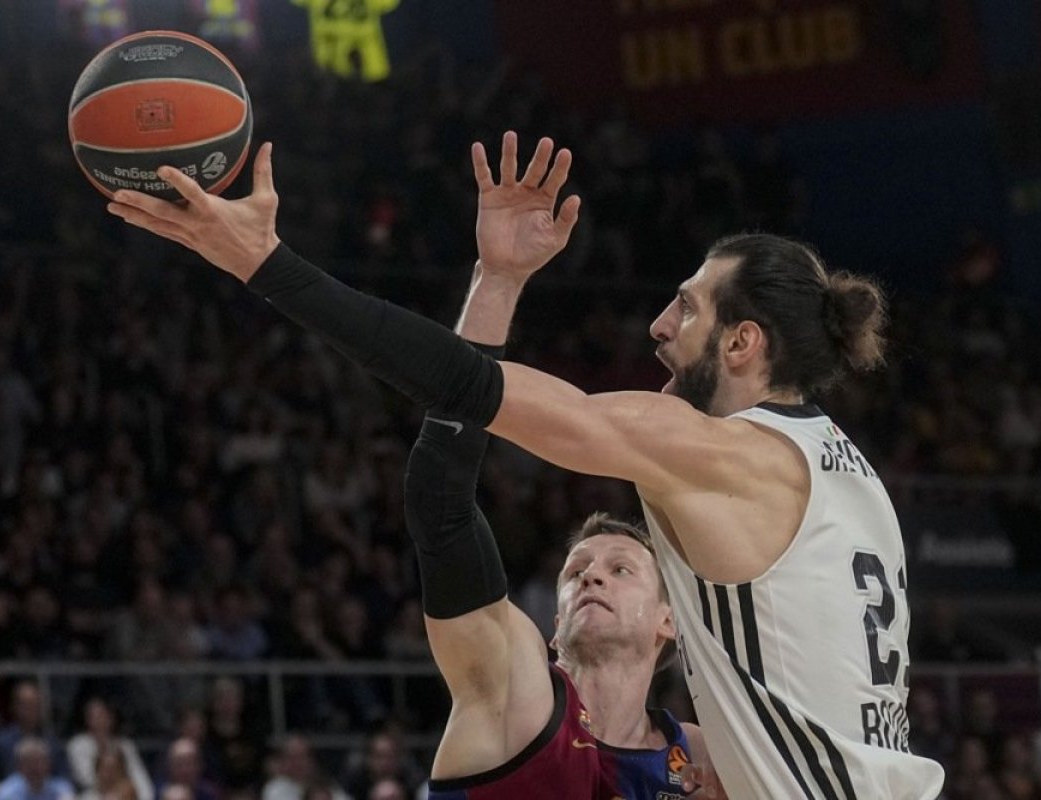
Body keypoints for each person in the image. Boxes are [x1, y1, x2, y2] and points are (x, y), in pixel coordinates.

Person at [108, 130, 945, 798]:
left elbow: (465, 387)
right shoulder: (853, 479)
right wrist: (498, 280)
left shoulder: (725, 452)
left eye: (686, 308)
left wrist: (264, 264)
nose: (660, 326)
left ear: (742, 342)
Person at [400, 212, 719, 797]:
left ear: (669, 620)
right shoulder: (514, 691)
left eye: (620, 570)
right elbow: (438, 500)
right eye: (576, 572)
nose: (591, 577)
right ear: (554, 626)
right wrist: (498, 281)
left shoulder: (702, 761)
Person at [0, 737, 74, 800]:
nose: (34, 768)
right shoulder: (7, 793)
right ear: (19, 767)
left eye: (38, 762)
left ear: (48, 764)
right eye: (29, 763)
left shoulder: (61, 788)